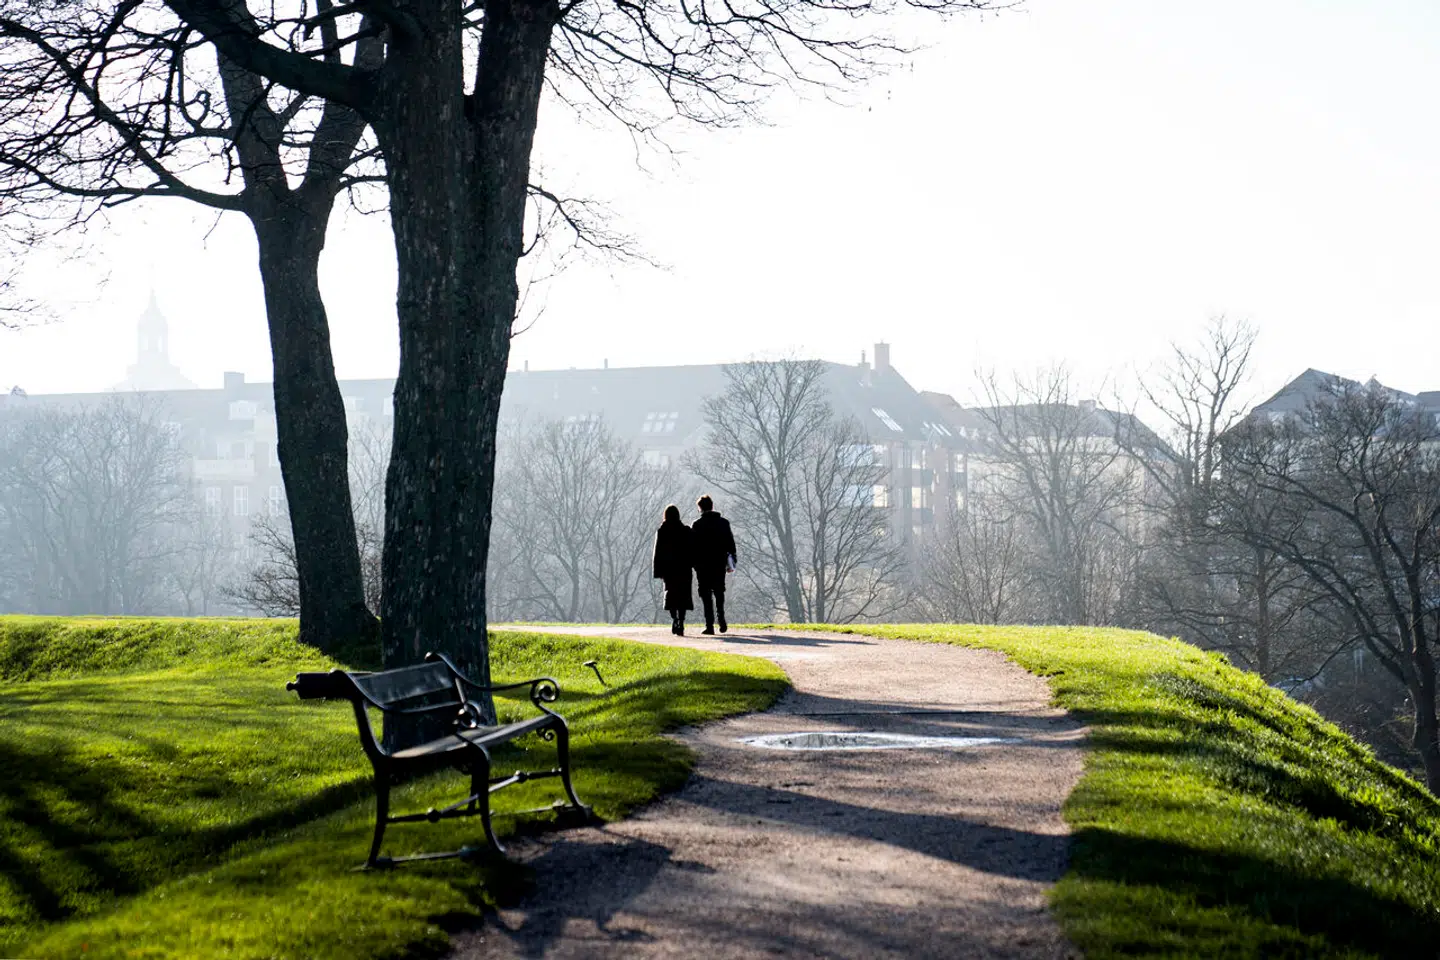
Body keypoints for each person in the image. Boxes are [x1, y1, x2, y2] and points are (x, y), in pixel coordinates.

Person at [690, 494, 736, 635]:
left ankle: (709, 625)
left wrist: (693, 563)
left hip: (702, 565)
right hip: (719, 562)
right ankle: (721, 618)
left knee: (705, 594)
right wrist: (732, 561)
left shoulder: (697, 525)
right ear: (712, 506)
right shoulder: (723, 523)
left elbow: (692, 547)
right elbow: (730, 544)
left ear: (700, 508)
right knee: (719, 591)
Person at [652, 504, 694, 635]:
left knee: (671, 596)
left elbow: (658, 552)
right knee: (683, 596)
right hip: (684, 568)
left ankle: (674, 619)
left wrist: (658, 571)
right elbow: (692, 550)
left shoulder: (662, 531)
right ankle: (681, 621)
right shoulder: (686, 531)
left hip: (669, 570)